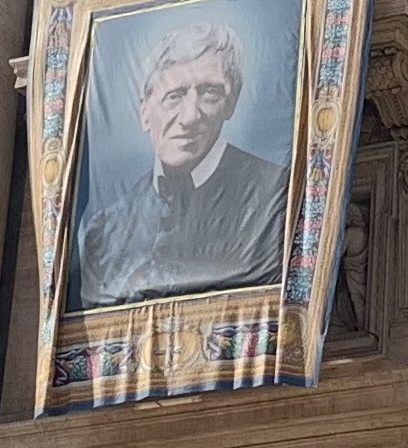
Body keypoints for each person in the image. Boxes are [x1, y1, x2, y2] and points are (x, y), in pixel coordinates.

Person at [72, 16, 290, 306]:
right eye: (173, 96)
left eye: (209, 93)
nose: (189, 117)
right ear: (144, 112)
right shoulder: (105, 232)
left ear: (232, 102)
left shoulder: (278, 195)